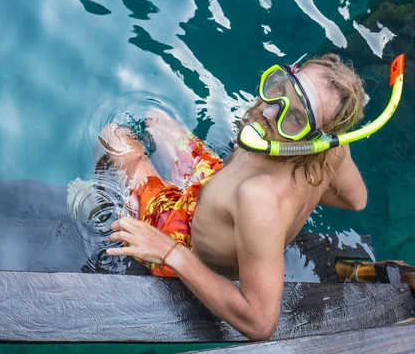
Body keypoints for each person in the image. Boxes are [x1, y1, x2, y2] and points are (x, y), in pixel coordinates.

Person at [101, 53, 368, 341]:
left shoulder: (259, 199)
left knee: (113, 137)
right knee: (155, 120)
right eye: (280, 90)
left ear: (314, 139)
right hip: (210, 187)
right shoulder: (332, 151)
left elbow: (260, 323)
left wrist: (170, 252)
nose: (269, 112)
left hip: (183, 240)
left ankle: (124, 207)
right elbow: (356, 200)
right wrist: (298, 197)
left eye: (294, 118)